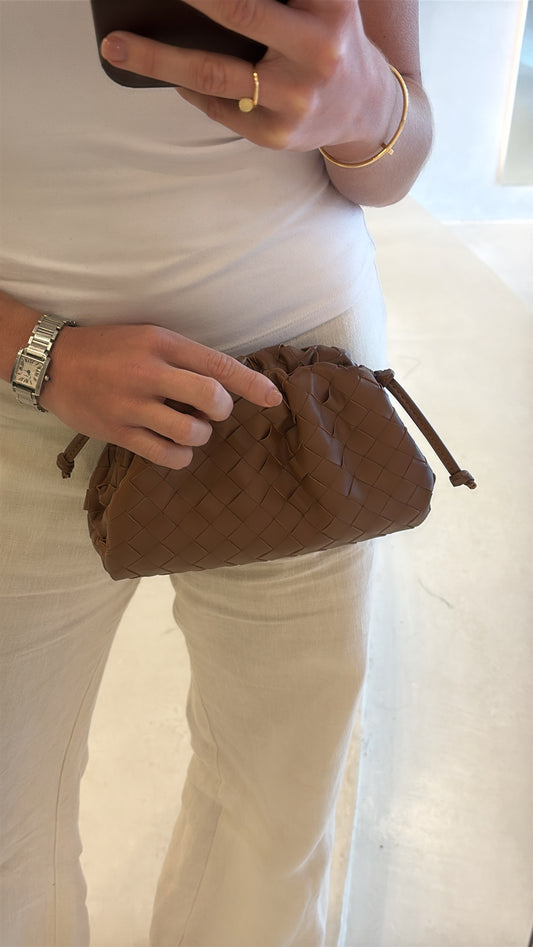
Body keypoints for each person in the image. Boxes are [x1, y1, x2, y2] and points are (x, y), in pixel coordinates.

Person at [0, 1, 433, 944]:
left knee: (273, 819)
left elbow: (402, 141)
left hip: (298, 390)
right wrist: (42, 355)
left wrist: (365, 108)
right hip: (21, 392)